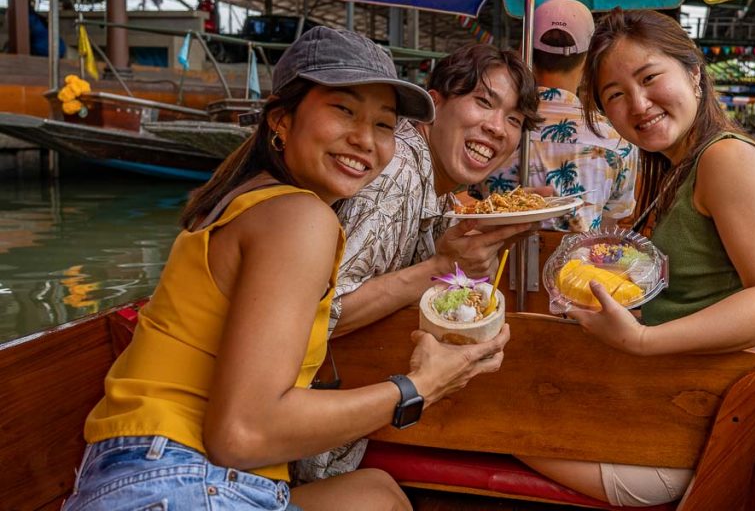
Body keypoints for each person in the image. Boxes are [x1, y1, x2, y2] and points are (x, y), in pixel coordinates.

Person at [61, 27, 510, 511]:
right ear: (281, 119)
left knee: (376, 493)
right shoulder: (300, 218)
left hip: (147, 471)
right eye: (343, 109)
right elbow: (242, 432)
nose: (365, 139)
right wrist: (420, 386)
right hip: (178, 481)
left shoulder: (260, 202)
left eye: (384, 125)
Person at [517, 9, 755, 507]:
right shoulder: (672, 167)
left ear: (693, 73)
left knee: (488, 412)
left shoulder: (728, 160)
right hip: (658, 399)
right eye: (615, 95)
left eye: (650, 78)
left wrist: (643, 341)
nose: (638, 104)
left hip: (675, 437)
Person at [329, 43, 542, 337]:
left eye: (514, 119)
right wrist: (443, 266)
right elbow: (321, 316)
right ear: (434, 105)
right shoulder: (397, 173)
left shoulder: (440, 187)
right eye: (483, 101)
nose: (498, 128)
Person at [476, 0, 637, 232]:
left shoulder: (489, 128)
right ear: (590, 59)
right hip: (577, 267)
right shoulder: (619, 141)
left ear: (524, 54)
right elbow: (609, 224)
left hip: (492, 266)